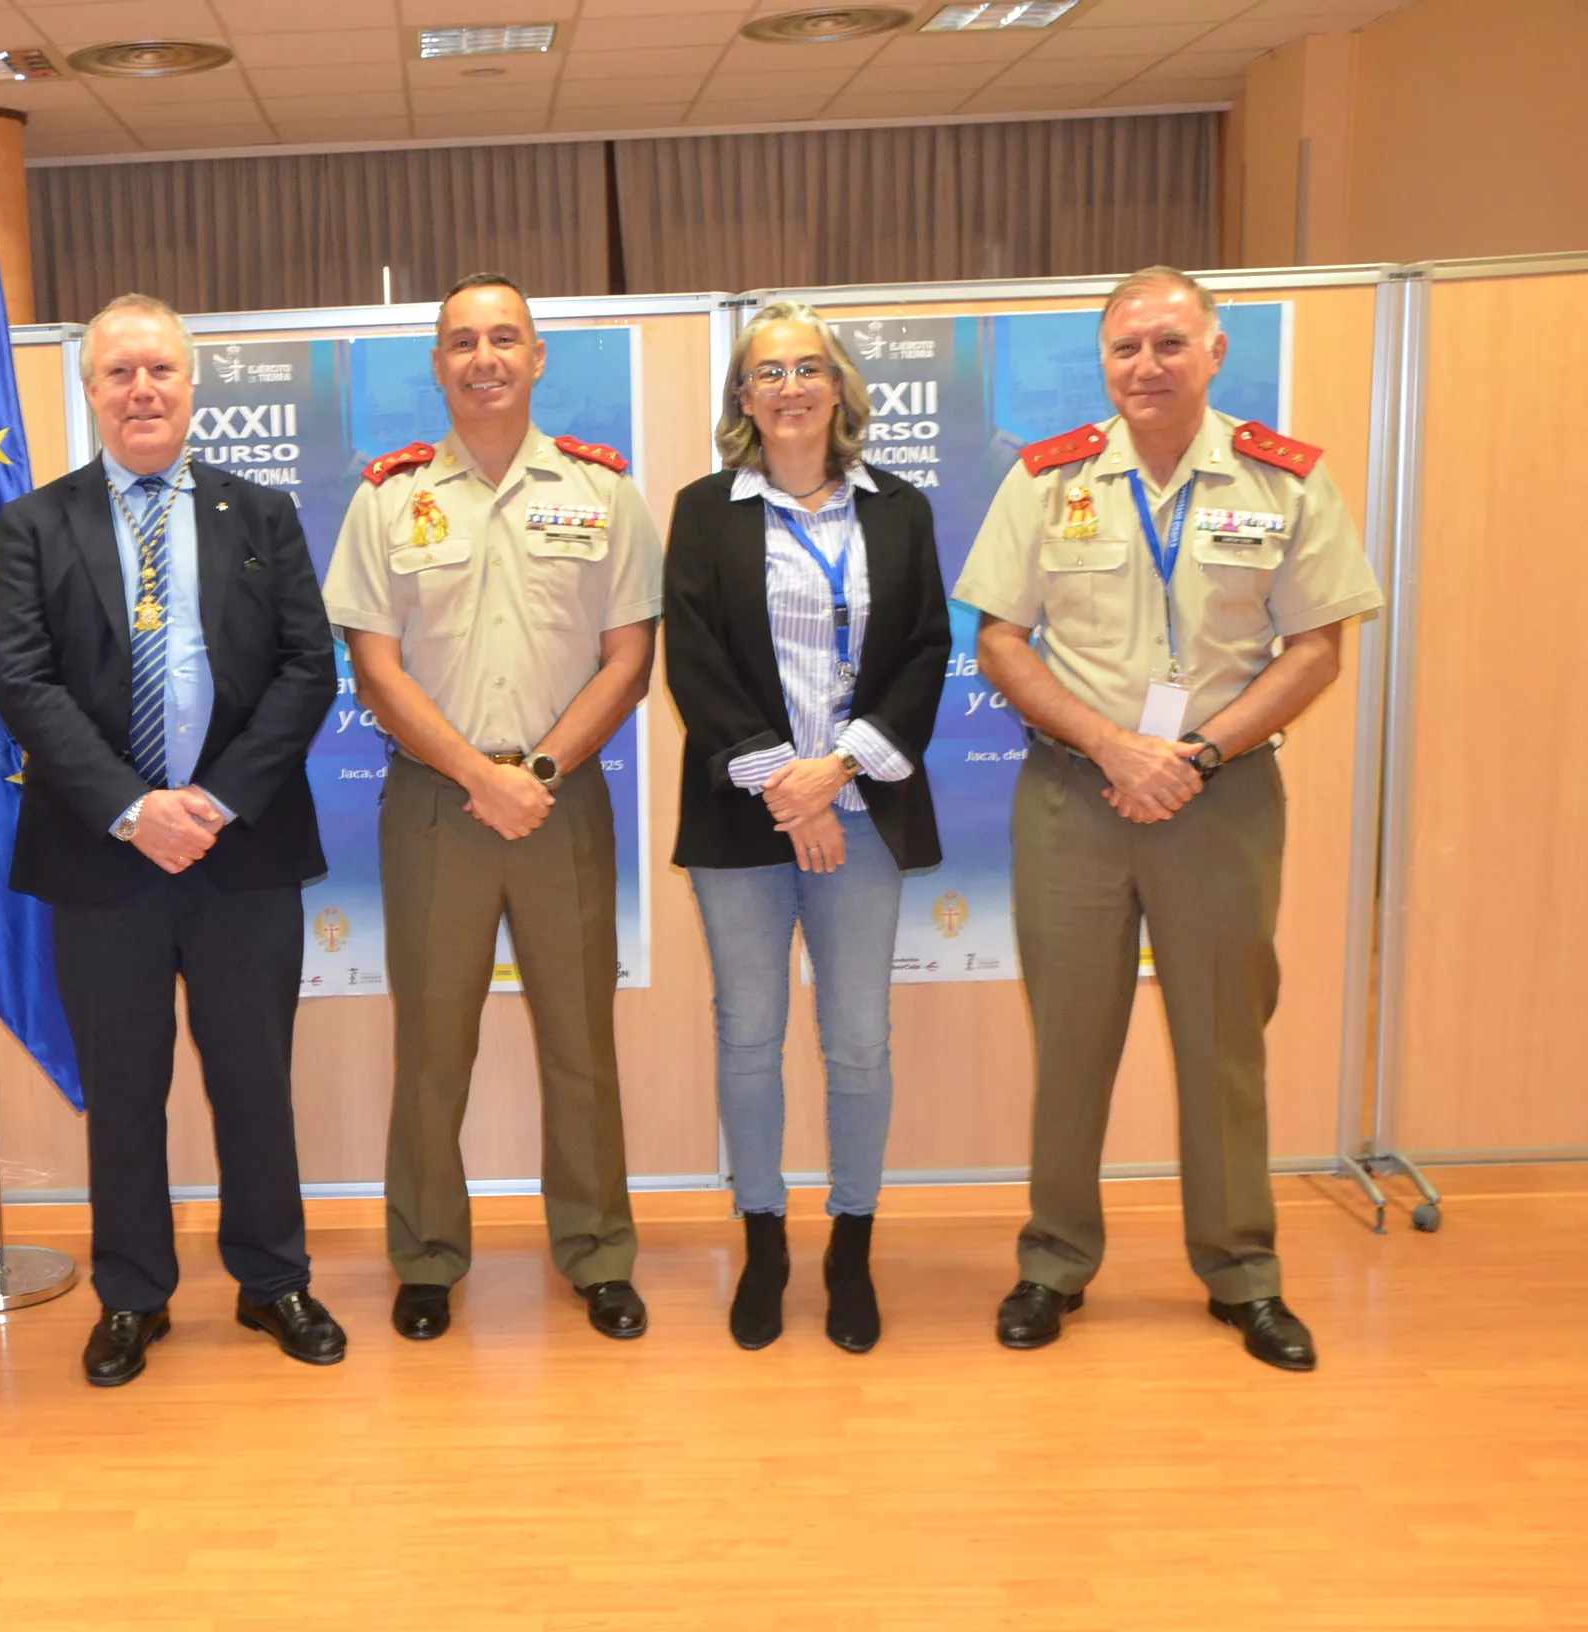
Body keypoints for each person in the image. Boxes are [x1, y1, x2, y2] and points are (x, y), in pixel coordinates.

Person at [954, 266, 1384, 1372]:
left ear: (1214, 352)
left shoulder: (1282, 481)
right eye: (1126, 347)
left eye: (1168, 344)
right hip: (1075, 797)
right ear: (1103, 360)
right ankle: (1054, 1263)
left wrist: (1199, 753)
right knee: (1072, 1039)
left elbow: (1317, 648)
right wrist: (1113, 746)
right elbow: (998, 638)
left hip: (1221, 799)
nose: (1145, 365)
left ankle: (1243, 1272)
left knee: (1223, 1042)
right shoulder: (1048, 479)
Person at [0, 292, 344, 1387]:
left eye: (159, 371)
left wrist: (215, 802)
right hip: (101, 857)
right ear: (90, 391)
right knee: (124, 1087)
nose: (141, 390)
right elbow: (24, 683)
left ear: (192, 387)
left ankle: (273, 1279)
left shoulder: (262, 515)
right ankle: (132, 1295)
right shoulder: (36, 524)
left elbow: (307, 669)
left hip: (243, 852)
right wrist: (134, 808)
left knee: (254, 1080)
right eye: (119, 373)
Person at [324, 272, 663, 1342]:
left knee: (581, 1043)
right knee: (432, 1047)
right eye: (463, 342)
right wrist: (479, 774)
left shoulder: (603, 491)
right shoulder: (389, 499)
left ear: (537, 357)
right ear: (437, 364)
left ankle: (597, 1251)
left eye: (504, 339)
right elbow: (374, 668)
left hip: (564, 803)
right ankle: (426, 1255)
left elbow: (629, 658)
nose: (485, 359)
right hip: (438, 808)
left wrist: (539, 775)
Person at [662, 303, 950, 1353]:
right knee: (748, 1034)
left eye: (808, 368)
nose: (788, 387)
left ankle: (851, 1247)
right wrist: (787, 788)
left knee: (858, 1041)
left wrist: (835, 776)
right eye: (767, 371)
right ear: (742, 397)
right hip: (744, 815)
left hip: (862, 808)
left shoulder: (899, 509)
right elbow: (693, 658)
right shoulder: (705, 510)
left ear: (839, 387)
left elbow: (925, 651)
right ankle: (765, 1242)